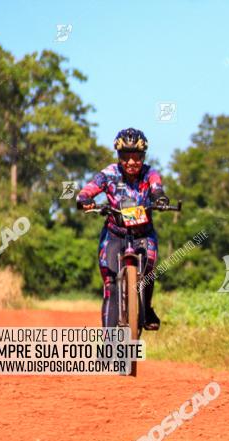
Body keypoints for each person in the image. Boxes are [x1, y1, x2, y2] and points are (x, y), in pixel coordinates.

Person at [77, 128, 169, 330]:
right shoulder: (109, 173)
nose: (131, 162)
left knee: (150, 270)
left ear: (143, 156)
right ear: (119, 157)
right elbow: (90, 188)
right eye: (125, 157)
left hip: (143, 235)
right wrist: (85, 198)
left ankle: (147, 309)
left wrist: (160, 199)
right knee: (110, 283)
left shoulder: (149, 173)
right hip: (114, 234)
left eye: (136, 157)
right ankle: (108, 343)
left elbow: (157, 188)